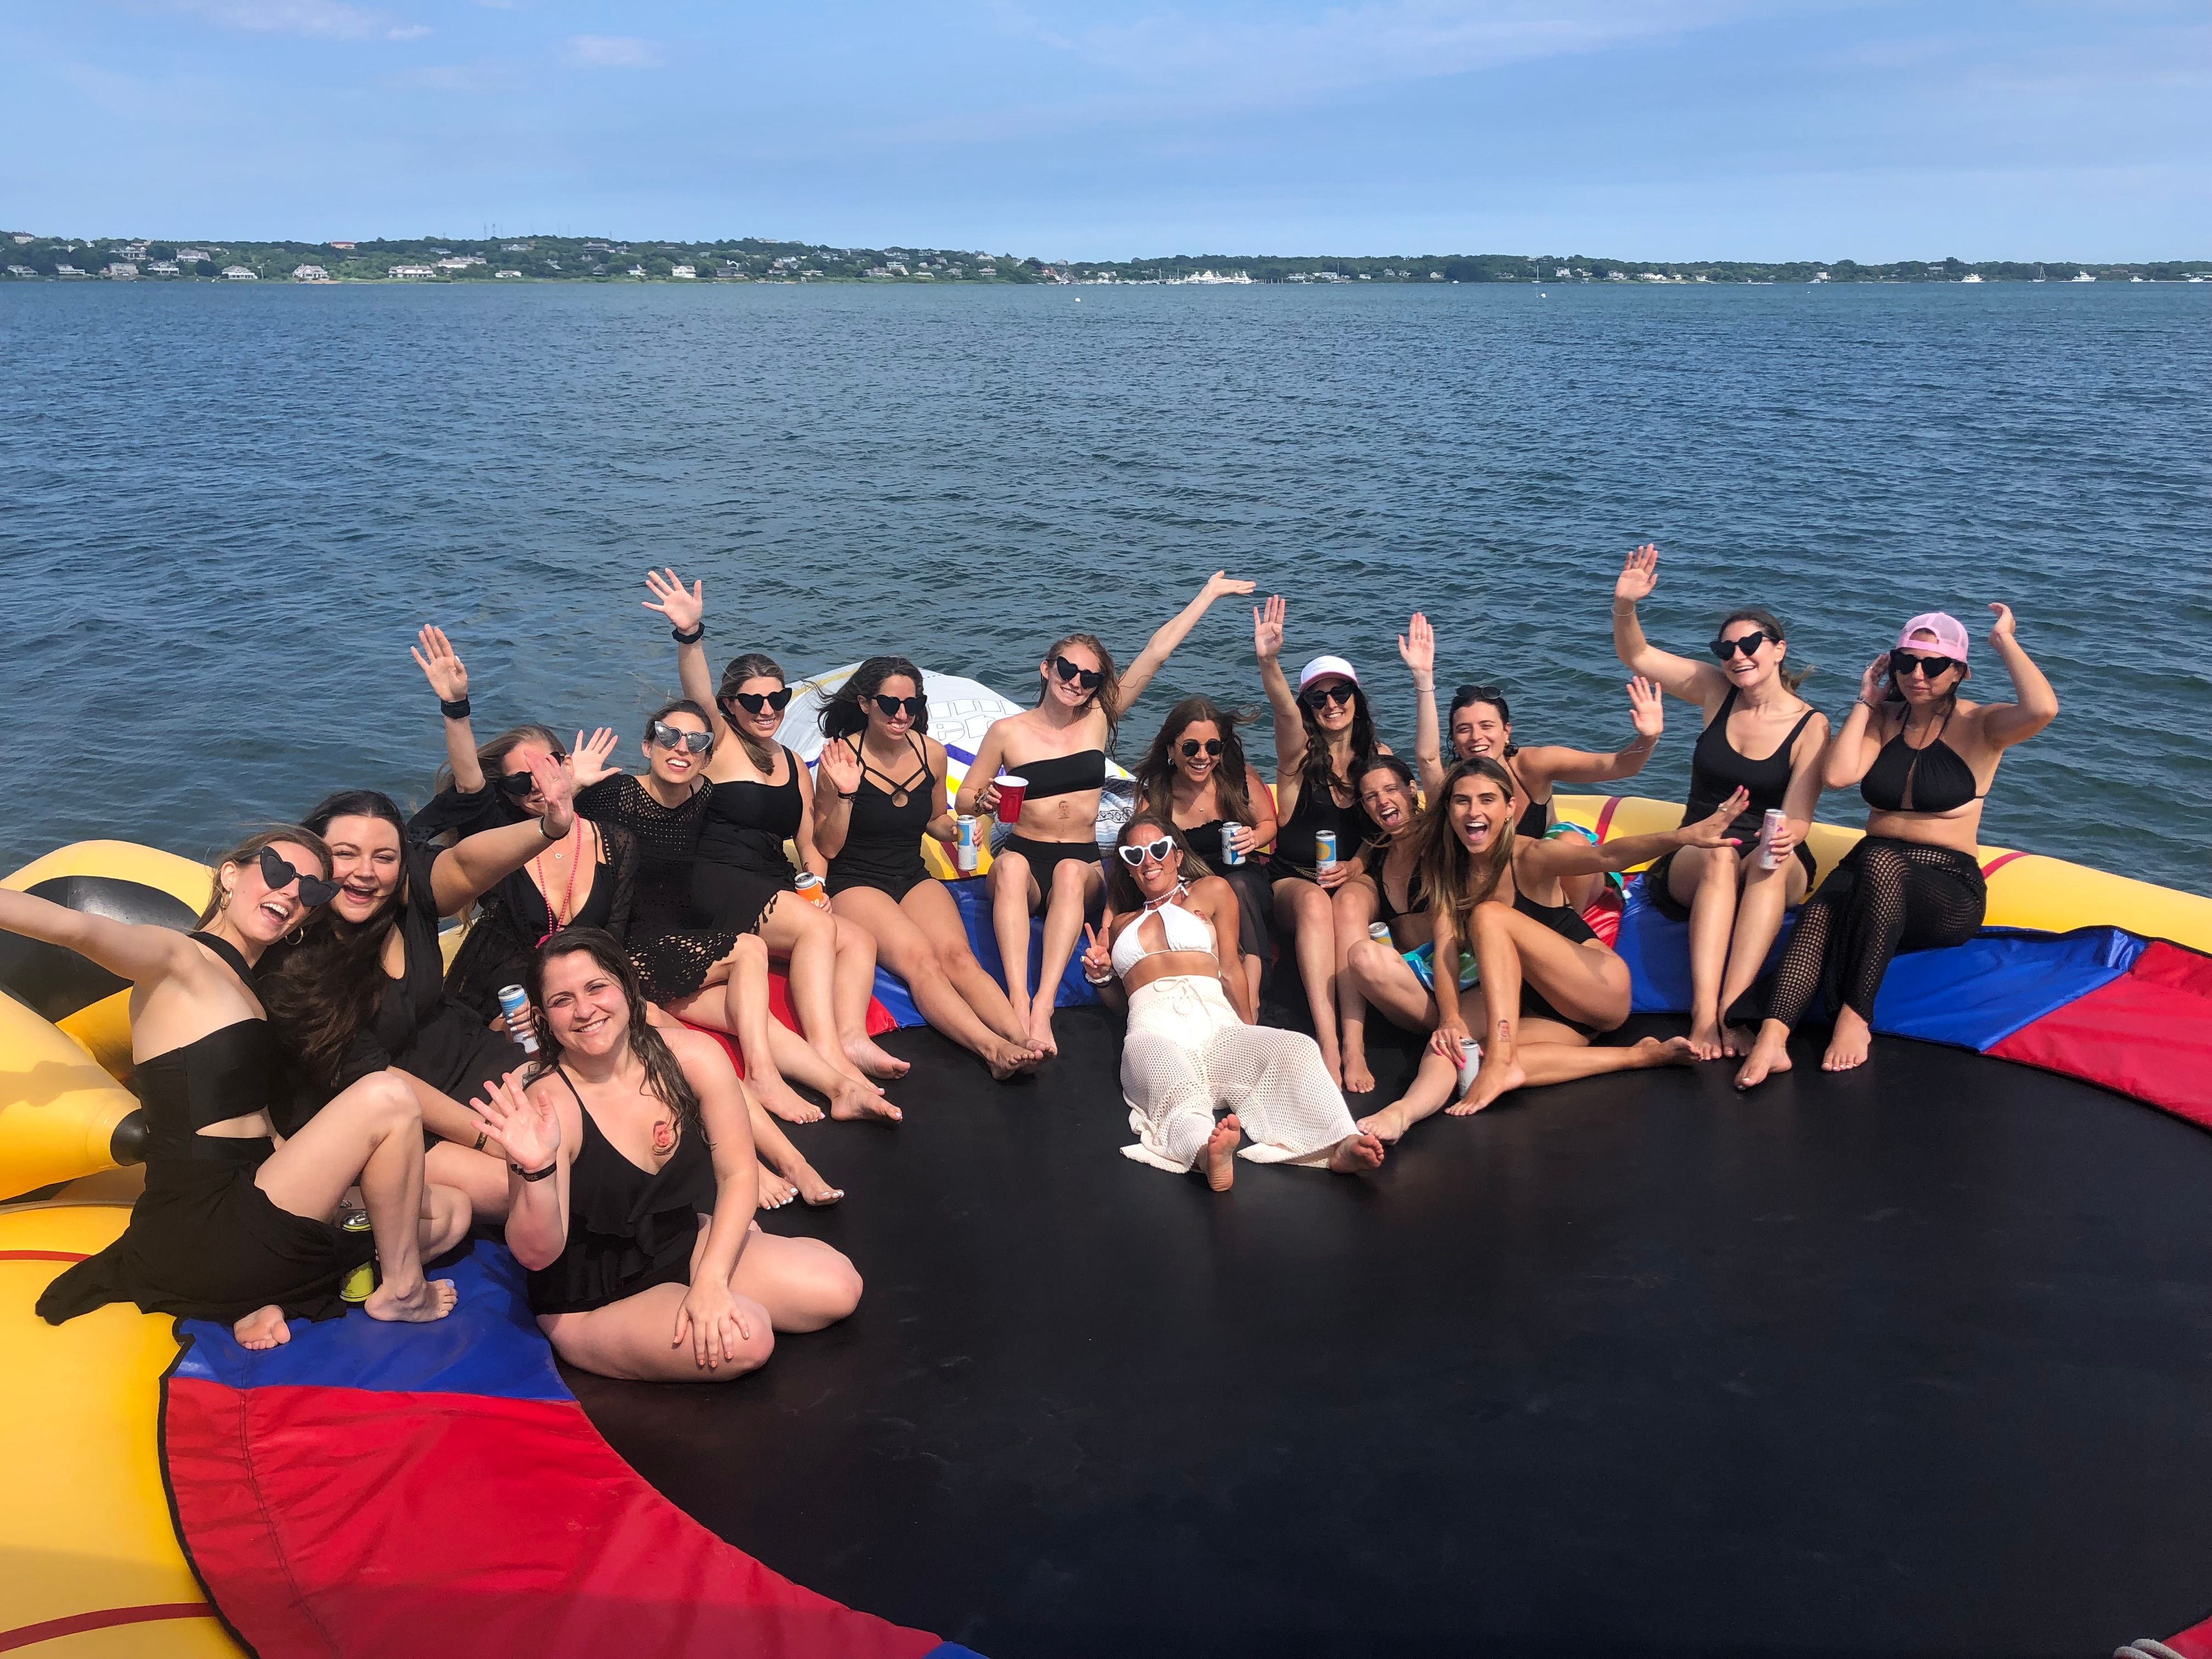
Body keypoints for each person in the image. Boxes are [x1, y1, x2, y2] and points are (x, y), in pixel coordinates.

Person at [25, 828, 464, 1351]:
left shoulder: (252, 990)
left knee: (451, 1210)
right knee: (387, 1098)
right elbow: (74, 928)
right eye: (279, 872)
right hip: (201, 1220)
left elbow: (255, 1121)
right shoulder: (177, 959)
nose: (291, 893)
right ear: (231, 874)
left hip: (250, 1193)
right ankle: (402, 1291)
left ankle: (252, 1296)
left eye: (311, 891)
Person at [470, 928, 862, 1383]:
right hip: (595, 1296)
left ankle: (722, 1265)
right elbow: (537, 1256)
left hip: (681, 1242)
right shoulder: (547, 1104)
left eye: (597, 987)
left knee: (839, 1288)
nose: (584, 1011)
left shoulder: (693, 1058)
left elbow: (737, 1175)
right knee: (747, 1338)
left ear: (627, 987)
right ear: (543, 1018)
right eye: (562, 1001)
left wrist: (712, 1278)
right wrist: (535, 1170)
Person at [1735, 606, 2057, 1089]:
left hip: (1945, 887)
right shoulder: (1883, 718)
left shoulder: (1983, 726)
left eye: (1933, 665)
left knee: (1881, 863)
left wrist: (2004, 642)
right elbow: (1839, 776)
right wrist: (1866, 700)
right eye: (1905, 663)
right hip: (1869, 870)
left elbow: (2043, 709)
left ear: (1959, 672)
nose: (1917, 675)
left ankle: (1854, 1017)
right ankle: (1772, 1039)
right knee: (1821, 911)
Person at [957, 571, 1255, 1058]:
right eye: (1066, 670)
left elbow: (1155, 655)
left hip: (1079, 857)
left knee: (1074, 873)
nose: (1075, 682)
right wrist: (984, 800)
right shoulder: (1007, 732)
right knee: (1008, 865)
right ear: (1046, 669)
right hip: (1024, 853)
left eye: (1089, 677)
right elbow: (965, 800)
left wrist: (1207, 595)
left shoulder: (1098, 719)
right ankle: (1015, 998)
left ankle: (1042, 1008)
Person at [259, 774, 579, 1223]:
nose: (365, 872)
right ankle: (356, 1201)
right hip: (392, 1115)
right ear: (314, 859)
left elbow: (465, 866)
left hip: (464, 1058)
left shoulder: (404, 901)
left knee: (569, 1123)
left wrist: (549, 827)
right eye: (345, 855)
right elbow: (377, 1079)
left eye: (383, 857)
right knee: (519, 1188)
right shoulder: (296, 961)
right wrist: (489, 1137)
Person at [569, 699, 894, 1135]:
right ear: (647, 747)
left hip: (678, 940)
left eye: (696, 741)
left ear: (706, 757)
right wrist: (572, 788)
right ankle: (762, 1077)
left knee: (750, 1016)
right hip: (627, 947)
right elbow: (536, 827)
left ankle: (840, 1088)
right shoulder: (614, 795)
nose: (680, 748)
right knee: (749, 948)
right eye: (668, 736)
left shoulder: (702, 795)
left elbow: (759, 820)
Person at [1355, 760, 1720, 1143]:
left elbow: (1607, 858)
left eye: (1487, 800)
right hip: (1544, 1010)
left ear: (1510, 808)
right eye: (1461, 801)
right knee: (1456, 1048)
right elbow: (1447, 950)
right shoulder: (1450, 870)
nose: (1474, 811)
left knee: (1488, 916)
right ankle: (1405, 1113)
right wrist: (1450, 1019)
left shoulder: (1528, 856)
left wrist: (1684, 837)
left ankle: (1501, 1059)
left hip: (1597, 987)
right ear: (1448, 811)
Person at [644, 568, 907, 1091]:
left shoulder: (791, 761)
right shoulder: (717, 742)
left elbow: (816, 844)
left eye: (778, 700)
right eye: (753, 702)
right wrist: (690, 635)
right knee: (816, 930)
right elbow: (696, 692)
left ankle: (852, 1035)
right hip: (715, 876)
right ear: (730, 707)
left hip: (772, 878)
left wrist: (816, 883)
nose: (768, 710)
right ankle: (826, 1051)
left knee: (855, 938)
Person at [1077, 815, 1385, 1192]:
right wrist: (1101, 976)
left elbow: (1230, 969)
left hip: (1216, 1023)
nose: (1149, 860)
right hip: (1153, 1029)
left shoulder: (1211, 891)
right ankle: (1207, 1153)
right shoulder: (1122, 924)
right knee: (1172, 1085)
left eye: (1158, 849)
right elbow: (1121, 1006)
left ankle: (1339, 1143)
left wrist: (1247, 1026)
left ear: (1175, 854)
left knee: (1297, 1047)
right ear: (1127, 865)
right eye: (1135, 854)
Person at [1611, 544, 1829, 1059]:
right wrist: (1625, 606)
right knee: (1717, 853)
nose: (1737, 656)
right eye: (1725, 648)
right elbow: (1637, 656)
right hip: (1701, 847)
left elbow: (1798, 817)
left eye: (1751, 644)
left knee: (1766, 860)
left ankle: (1736, 1011)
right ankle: (1705, 1015)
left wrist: (1785, 837)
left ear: (1779, 649)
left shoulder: (1811, 725)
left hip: (1772, 853)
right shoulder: (1715, 692)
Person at [814, 658, 1043, 1081]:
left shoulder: (931, 754)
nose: (902, 714)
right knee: (922, 961)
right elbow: (825, 845)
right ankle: (992, 1049)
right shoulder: (839, 759)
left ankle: (1022, 1037)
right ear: (865, 703)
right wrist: (846, 794)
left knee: (959, 957)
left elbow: (934, 819)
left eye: (912, 704)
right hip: (856, 880)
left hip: (911, 873)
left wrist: (957, 832)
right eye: (889, 703)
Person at [1415, 614, 1664, 915]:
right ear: (1453, 739)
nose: (1476, 737)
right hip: (1499, 886)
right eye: (1463, 729)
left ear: (1507, 731)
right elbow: (1427, 758)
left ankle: (1570, 926)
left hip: (1557, 879)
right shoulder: (1456, 785)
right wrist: (1423, 681)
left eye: (1486, 726)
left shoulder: (1533, 766)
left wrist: (1647, 737)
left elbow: (1619, 766)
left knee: (1572, 841)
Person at [1251, 594, 1392, 1086]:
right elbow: (1284, 715)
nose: (1331, 705)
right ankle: (1328, 1046)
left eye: (1340, 695)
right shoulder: (1297, 757)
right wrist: (1269, 662)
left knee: (1349, 907)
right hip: (1293, 878)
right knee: (1315, 904)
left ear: (1356, 698)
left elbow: (1391, 828)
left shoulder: (1379, 759)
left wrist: (1356, 866)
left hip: (1355, 874)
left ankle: (1356, 1048)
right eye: (1319, 698)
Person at [1131, 695, 1279, 1012]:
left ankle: (1253, 997)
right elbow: (1140, 853)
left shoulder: (1238, 779)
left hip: (1246, 884)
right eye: (1190, 748)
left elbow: (1269, 823)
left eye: (1213, 747)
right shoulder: (1157, 797)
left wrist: (1254, 837)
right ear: (1171, 749)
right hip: (1193, 890)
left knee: (1238, 885)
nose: (1203, 756)